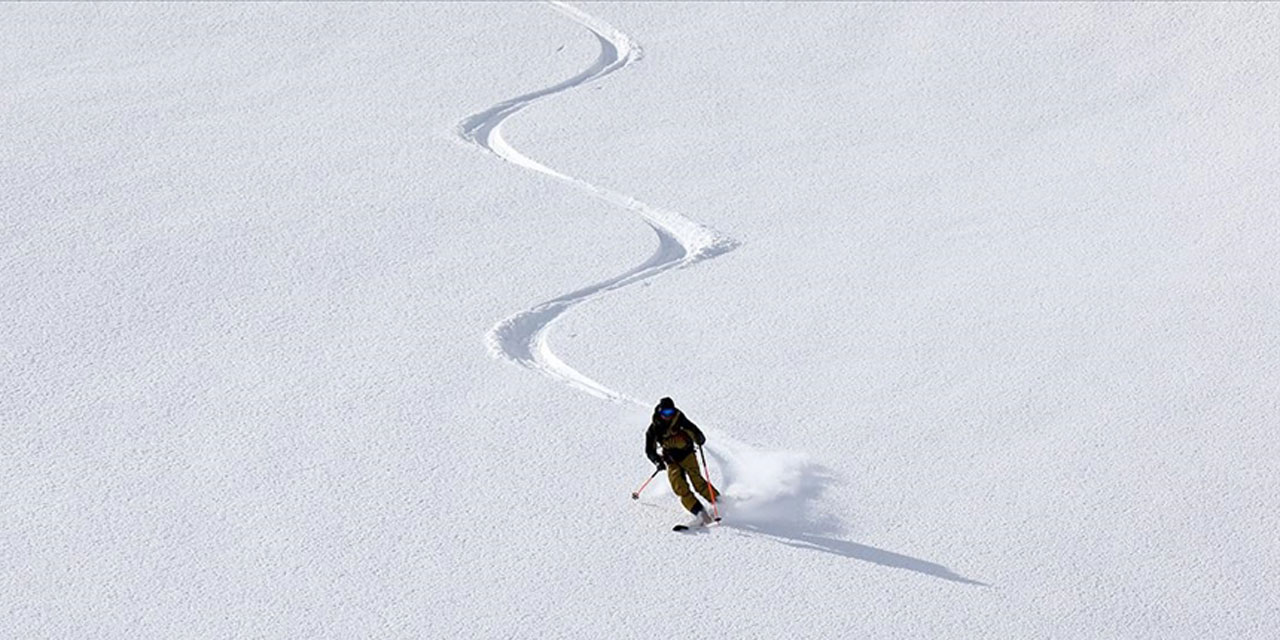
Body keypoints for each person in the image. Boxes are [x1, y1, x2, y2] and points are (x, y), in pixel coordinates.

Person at [645, 397, 718, 526]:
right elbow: (649, 450)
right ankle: (700, 513)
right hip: (671, 459)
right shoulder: (654, 428)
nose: (668, 416)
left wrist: (699, 438)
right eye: (665, 413)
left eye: (670, 412)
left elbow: (694, 430)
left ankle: (720, 504)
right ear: (660, 412)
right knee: (679, 487)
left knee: (698, 482)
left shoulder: (680, 419)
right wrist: (657, 461)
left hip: (687, 454)